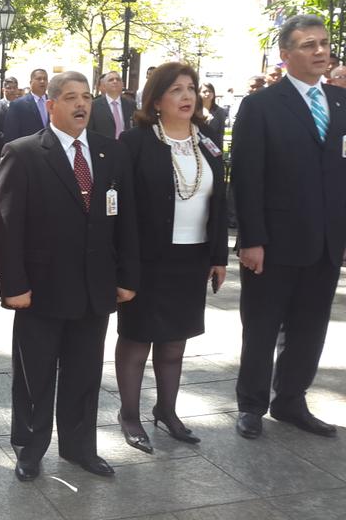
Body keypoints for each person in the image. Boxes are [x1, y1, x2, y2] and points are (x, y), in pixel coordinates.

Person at [0, 71, 139, 482]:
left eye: (86, 97)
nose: (81, 105)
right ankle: (30, 448)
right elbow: (6, 225)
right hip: (40, 290)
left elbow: (126, 221)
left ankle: (79, 448)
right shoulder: (22, 153)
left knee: (84, 373)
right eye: (71, 97)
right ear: (51, 104)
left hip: (95, 288)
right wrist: (14, 286)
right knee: (35, 375)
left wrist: (127, 276)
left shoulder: (112, 152)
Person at [232, 15, 346, 440]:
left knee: (310, 327)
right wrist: (252, 239)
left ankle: (291, 400)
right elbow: (246, 177)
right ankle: (251, 404)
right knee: (261, 327)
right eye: (307, 45)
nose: (320, 51)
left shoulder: (341, 102)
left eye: (323, 43)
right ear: (285, 56)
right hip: (273, 244)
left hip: (325, 243)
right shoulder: (260, 105)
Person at [115, 62, 228, 455]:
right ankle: (129, 415)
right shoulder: (136, 142)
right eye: (176, 90)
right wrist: (122, 264)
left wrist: (218, 256)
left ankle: (167, 410)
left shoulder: (208, 139)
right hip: (146, 258)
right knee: (136, 340)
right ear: (157, 99)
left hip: (191, 257)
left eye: (191, 89)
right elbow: (124, 208)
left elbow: (220, 200)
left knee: (175, 342)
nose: (186, 96)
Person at [2, 69, 49, 144]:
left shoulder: (54, 102)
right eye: (39, 79)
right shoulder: (18, 105)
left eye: (45, 79)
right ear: (31, 83)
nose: (42, 81)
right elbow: (11, 134)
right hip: (28, 150)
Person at [88, 71, 134, 139]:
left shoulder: (131, 104)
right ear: (104, 86)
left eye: (118, 79)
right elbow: (90, 131)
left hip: (127, 146)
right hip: (103, 147)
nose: (115, 81)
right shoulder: (94, 106)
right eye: (111, 80)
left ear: (122, 84)